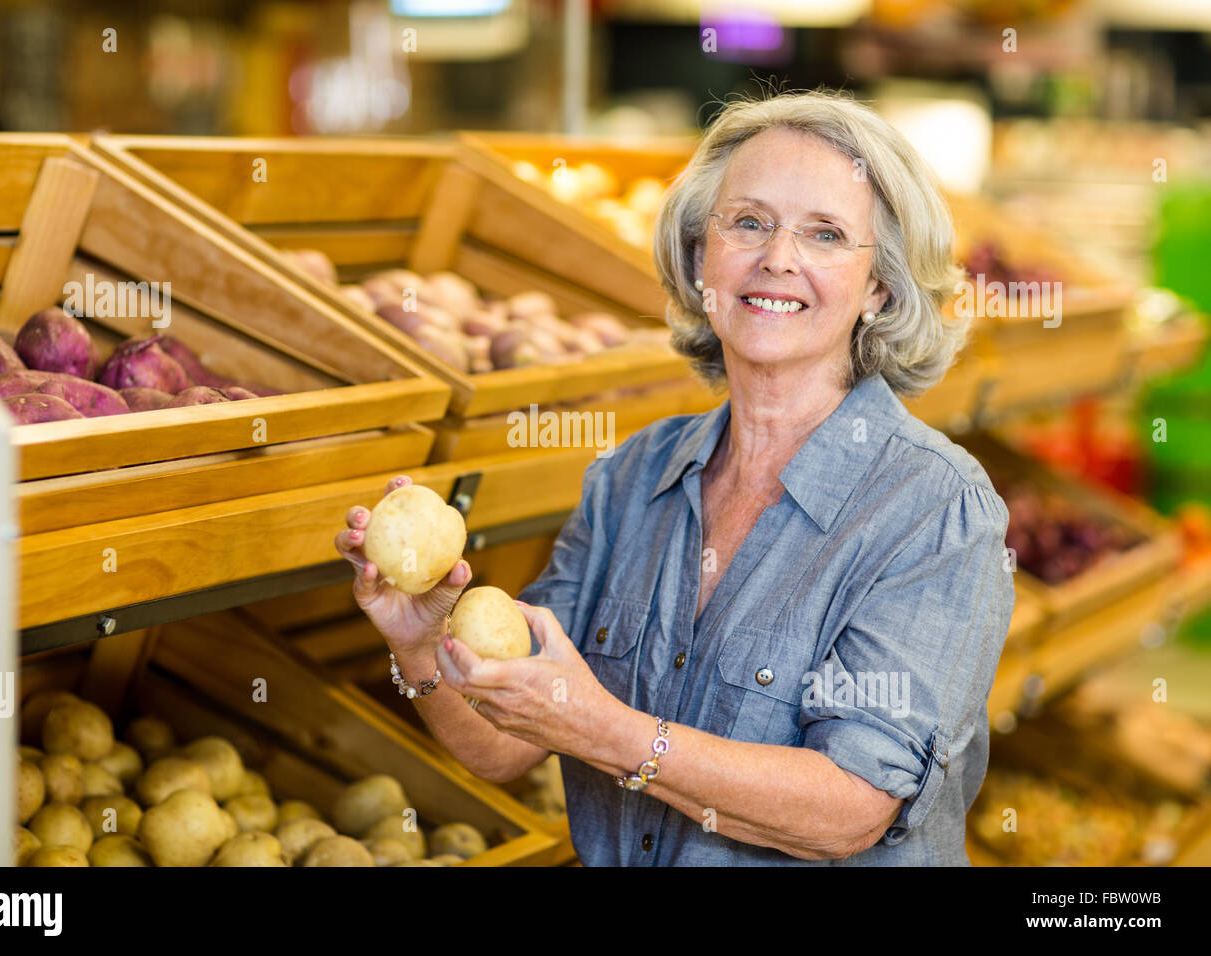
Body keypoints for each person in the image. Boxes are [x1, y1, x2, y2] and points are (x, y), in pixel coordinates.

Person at [335, 90, 1015, 865]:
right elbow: (502, 750)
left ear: (880, 289)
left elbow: (849, 810)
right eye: (748, 222)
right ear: (699, 260)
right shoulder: (631, 479)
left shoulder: (933, 510)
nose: (778, 259)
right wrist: (422, 644)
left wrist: (607, 731)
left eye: (825, 234)